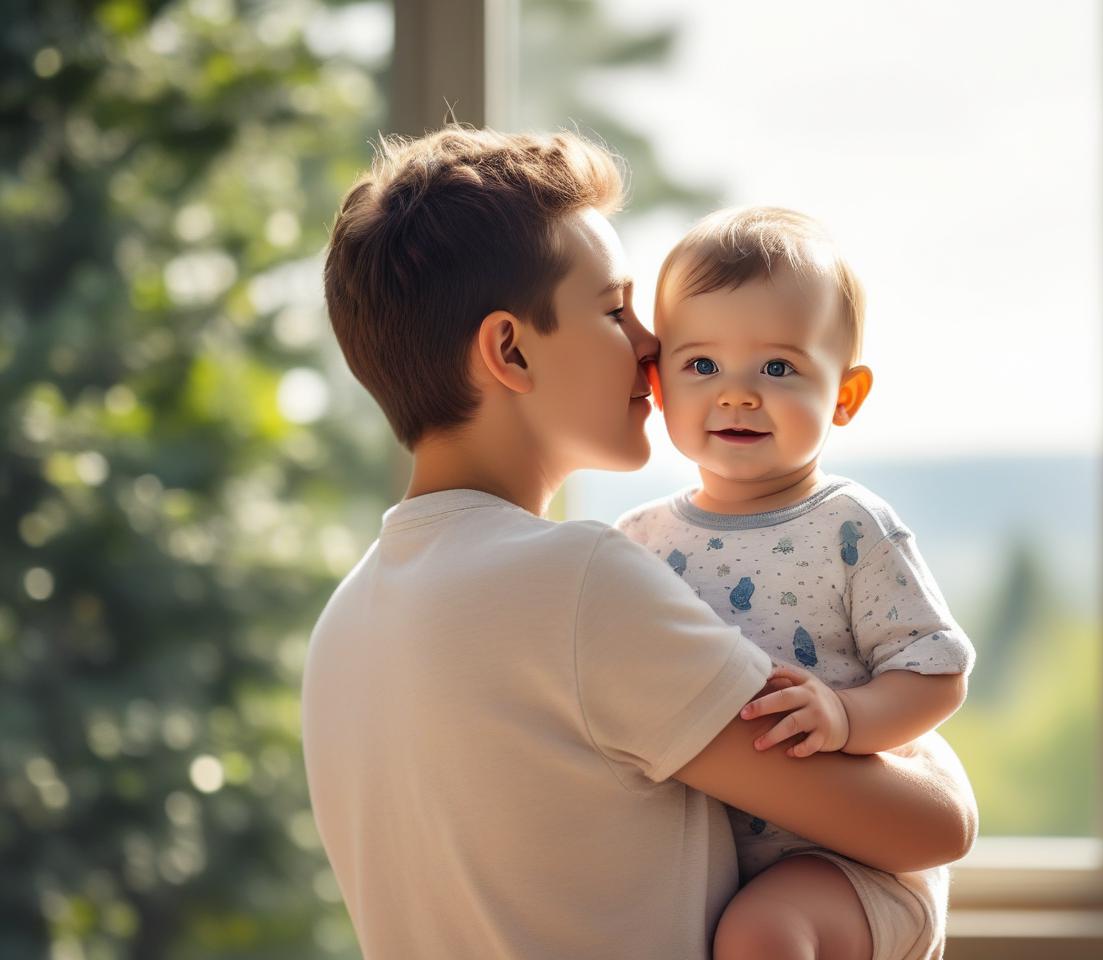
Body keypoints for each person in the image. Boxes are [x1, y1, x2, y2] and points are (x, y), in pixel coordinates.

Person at [301, 126, 977, 960]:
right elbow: (931, 829)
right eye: (615, 309)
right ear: (509, 349)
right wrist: (920, 748)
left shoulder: (343, 627)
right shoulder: (579, 583)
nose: (653, 346)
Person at [617, 206, 976, 959]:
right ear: (657, 381)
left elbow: (935, 672)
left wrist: (846, 718)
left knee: (762, 936)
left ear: (844, 395)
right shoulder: (637, 541)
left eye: (778, 368)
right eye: (702, 365)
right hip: (713, 860)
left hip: (851, 865)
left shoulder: (850, 526)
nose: (739, 393)